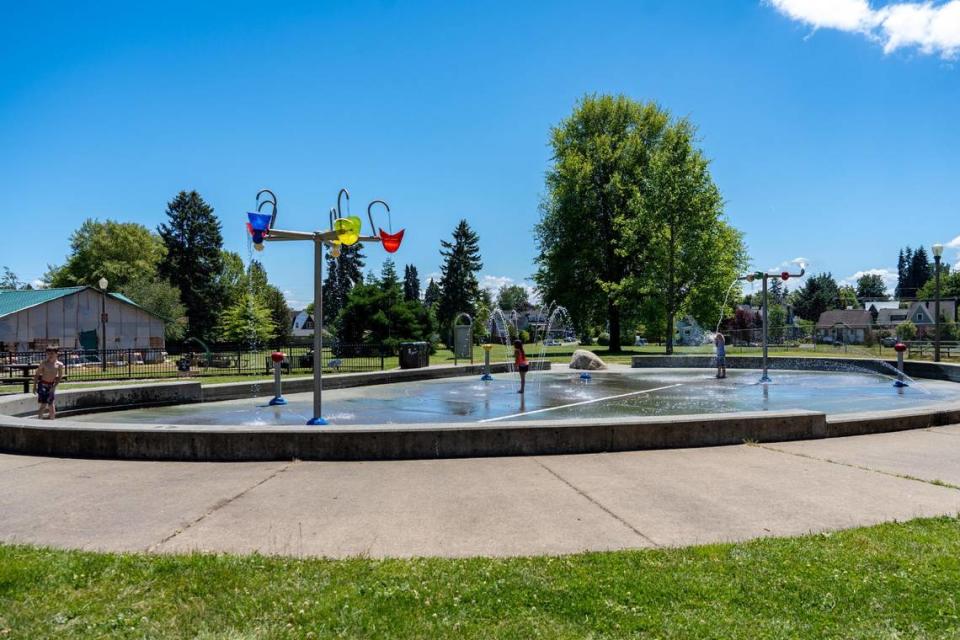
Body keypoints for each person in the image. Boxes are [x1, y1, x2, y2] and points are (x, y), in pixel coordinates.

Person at [34, 346, 64, 419]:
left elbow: (60, 377)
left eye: (52, 353)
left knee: (51, 404)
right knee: (43, 404)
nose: (50, 355)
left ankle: (52, 420)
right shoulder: (44, 363)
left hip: (51, 385)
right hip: (43, 385)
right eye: (48, 353)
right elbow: (37, 374)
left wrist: (54, 386)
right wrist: (34, 386)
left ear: (56, 354)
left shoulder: (59, 365)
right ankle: (39, 421)